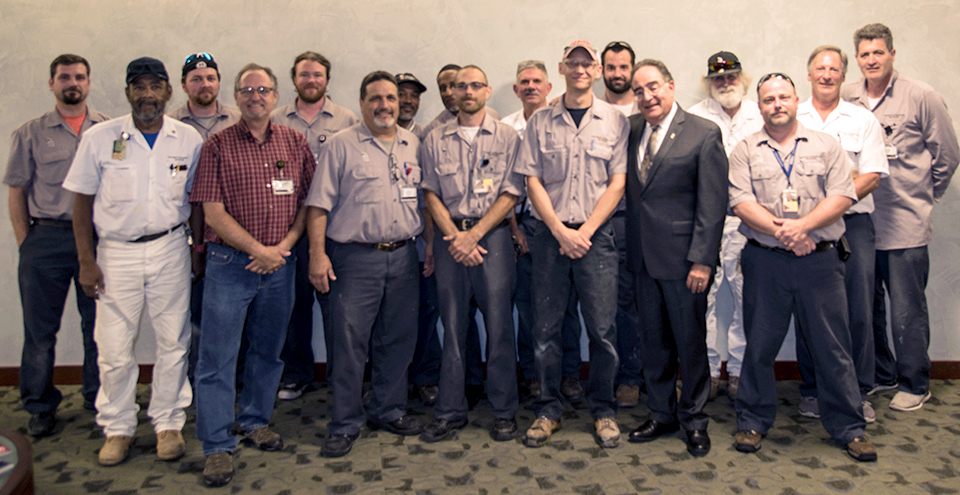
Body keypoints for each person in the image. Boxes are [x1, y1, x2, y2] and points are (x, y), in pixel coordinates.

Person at [63, 57, 203, 466]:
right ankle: (118, 427)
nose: (147, 95)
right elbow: (81, 204)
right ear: (128, 92)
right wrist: (86, 261)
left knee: (174, 341)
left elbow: (195, 200)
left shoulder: (187, 138)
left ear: (168, 92)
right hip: (115, 254)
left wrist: (196, 251)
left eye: (155, 87)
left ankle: (168, 422)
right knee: (114, 347)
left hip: (170, 248)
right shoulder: (100, 137)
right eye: (138, 87)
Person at [729, 72, 876, 462]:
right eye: (768, 99)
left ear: (796, 101)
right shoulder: (745, 149)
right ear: (759, 106)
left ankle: (850, 426)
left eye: (783, 97)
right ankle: (753, 420)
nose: (776, 104)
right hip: (765, 261)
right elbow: (741, 202)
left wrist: (803, 227)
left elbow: (843, 194)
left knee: (833, 347)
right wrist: (787, 233)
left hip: (821, 260)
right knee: (759, 346)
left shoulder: (827, 145)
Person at [190, 63, 316, 486]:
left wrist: (282, 248)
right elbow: (211, 211)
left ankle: (255, 420)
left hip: (280, 265)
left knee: (268, 351)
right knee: (217, 360)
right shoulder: (217, 145)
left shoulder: (295, 142)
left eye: (263, 89)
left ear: (276, 96)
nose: (255, 96)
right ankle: (217, 446)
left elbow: (307, 204)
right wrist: (258, 250)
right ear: (237, 97)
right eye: (247, 90)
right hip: (230, 266)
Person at [514, 40, 628, 449]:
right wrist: (561, 231)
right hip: (549, 237)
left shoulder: (616, 120)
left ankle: (603, 410)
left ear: (597, 71)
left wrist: (586, 231)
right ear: (562, 68)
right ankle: (548, 409)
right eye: (572, 62)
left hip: (597, 238)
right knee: (545, 328)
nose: (580, 69)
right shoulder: (540, 122)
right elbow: (532, 181)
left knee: (602, 329)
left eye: (587, 63)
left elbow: (618, 182)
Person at [841, 23, 959, 412]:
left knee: (906, 308)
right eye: (864, 54)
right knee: (866, 303)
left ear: (892, 54)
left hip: (903, 220)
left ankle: (915, 382)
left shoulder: (920, 95)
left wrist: (924, 195)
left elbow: (947, 155)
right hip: (858, 220)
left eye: (878, 52)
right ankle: (881, 372)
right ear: (856, 59)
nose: (871, 60)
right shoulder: (848, 96)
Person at [308, 71, 424, 458]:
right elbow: (319, 206)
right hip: (355, 259)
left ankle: (388, 411)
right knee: (348, 344)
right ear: (361, 103)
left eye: (390, 98)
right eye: (375, 98)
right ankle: (344, 423)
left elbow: (424, 201)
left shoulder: (412, 144)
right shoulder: (340, 145)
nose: (385, 105)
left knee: (397, 339)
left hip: (405, 256)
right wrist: (317, 254)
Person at [624, 59, 727, 457]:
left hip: (686, 262)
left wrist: (703, 259)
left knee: (690, 344)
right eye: (638, 91)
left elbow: (712, 204)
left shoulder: (703, 133)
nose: (646, 96)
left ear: (670, 86)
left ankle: (695, 420)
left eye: (653, 87)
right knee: (654, 344)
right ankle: (661, 413)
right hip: (642, 259)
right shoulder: (631, 130)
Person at [5, 54, 107, 437]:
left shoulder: (108, 130)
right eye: (64, 77)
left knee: (97, 328)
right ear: (51, 84)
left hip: (96, 241)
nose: (73, 83)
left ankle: (99, 401)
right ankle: (39, 406)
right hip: (46, 239)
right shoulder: (30, 133)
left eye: (80, 76)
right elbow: (17, 190)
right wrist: (25, 242)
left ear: (89, 82)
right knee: (40, 332)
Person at [419, 65, 523, 443]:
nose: (467, 91)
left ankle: (503, 411)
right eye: (460, 85)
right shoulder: (434, 138)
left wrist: (474, 234)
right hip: (451, 242)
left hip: (491, 239)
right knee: (453, 327)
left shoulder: (508, 137)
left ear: (487, 91)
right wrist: (455, 237)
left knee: (499, 329)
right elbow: (429, 193)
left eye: (475, 85)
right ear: (451, 92)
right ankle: (449, 411)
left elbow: (512, 192)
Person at [795, 45, 889, 423]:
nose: (827, 75)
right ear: (809, 73)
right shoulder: (793, 115)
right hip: (806, 229)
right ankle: (813, 390)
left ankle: (859, 390)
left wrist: (832, 203)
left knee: (858, 309)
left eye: (834, 69)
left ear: (843, 75)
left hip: (853, 226)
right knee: (808, 309)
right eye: (820, 68)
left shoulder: (861, 119)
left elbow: (872, 174)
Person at [271, 51, 359, 400]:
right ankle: (297, 373)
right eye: (304, 75)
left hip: (333, 227)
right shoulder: (276, 119)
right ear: (294, 79)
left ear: (327, 80)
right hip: (286, 228)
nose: (311, 80)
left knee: (338, 308)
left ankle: (342, 376)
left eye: (318, 75)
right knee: (293, 306)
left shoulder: (347, 119)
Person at [502, 60, 584, 403]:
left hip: (564, 225)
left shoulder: (563, 121)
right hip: (525, 225)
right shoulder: (506, 128)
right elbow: (505, 187)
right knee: (530, 304)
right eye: (525, 82)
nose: (531, 86)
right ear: (516, 90)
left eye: (538, 81)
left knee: (566, 305)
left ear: (550, 87)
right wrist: (516, 230)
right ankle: (534, 374)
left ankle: (568, 374)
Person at [687, 51, 763, 401]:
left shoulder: (760, 114)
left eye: (731, 76)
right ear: (709, 82)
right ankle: (705, 371)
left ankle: (739, 372)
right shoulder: (695, 117)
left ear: (742, 78)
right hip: (705, 222)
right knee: (704, 300)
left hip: (748, 221)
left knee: (746, 298)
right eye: (718, 78)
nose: (725, 83)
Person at [167, 52, 241, 391]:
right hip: (183, 235)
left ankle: (234, 382)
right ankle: (197, 382)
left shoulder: (239, 121)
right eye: (196, 79)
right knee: (193, 316)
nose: (204, 84)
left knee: (234, 316)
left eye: (210, 78)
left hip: (231, 236)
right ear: (184, 85)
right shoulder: (169, 127)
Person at [395, 71, 442, 406]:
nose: (408, 101)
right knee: (389, 314)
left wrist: (431, 246)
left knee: (427, 309)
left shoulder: (426, 138)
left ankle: (425, 376)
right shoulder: (367, 136)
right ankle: (391, 380)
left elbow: (429, 198)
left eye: (414, 95)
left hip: (419, 239)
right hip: (387, 240)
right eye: (401, 94)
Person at [600, 41, 643, 408]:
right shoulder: (593, 112)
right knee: (610, 305)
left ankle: (640, 376)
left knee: (640, 303)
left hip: (641, 223)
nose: (617, 74)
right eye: (610, 67)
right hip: (603, 222)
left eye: (623, 67)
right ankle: (616, 377)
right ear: (603, 71)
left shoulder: (646, 112)